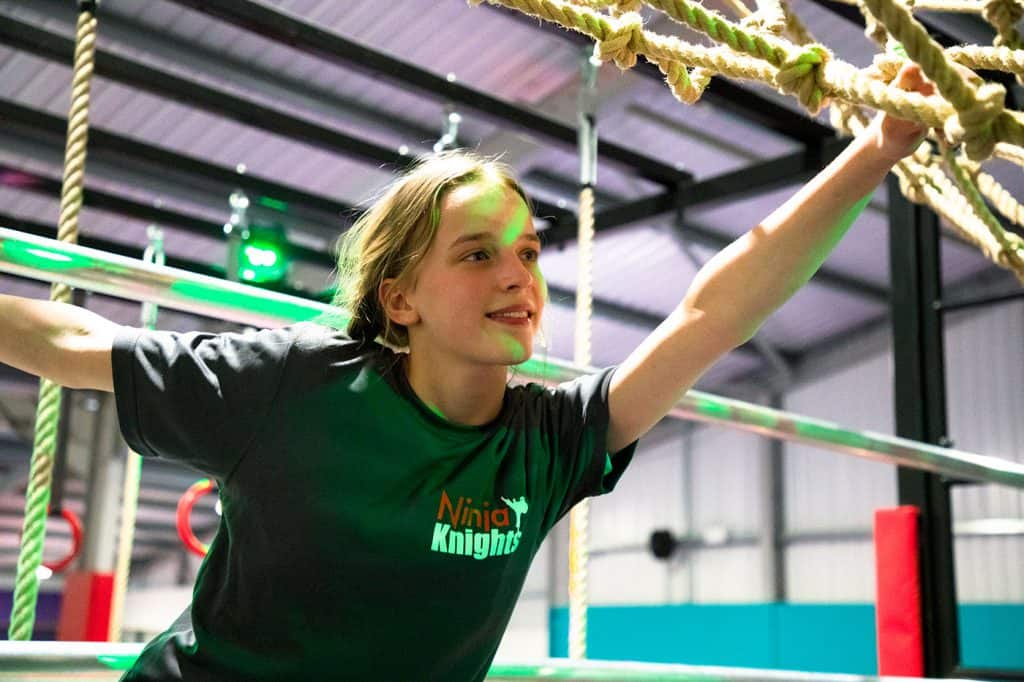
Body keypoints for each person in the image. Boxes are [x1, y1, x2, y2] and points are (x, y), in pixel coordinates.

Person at [0, 63, 933, 681]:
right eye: (478, 255)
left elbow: (712, 315)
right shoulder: (293, 383)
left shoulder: (551, 444)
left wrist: (874, 153)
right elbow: (70, 345)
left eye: (528, 254)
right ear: (399, 298)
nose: (519, 279)